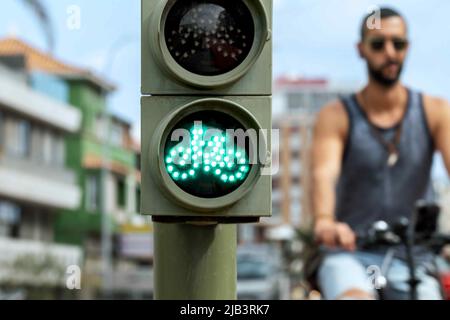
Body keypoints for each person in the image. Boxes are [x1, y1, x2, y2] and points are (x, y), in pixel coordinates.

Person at [312, 7, 450, 300]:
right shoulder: (336, 115)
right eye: (378, 44)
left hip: (414, 258)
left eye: (397, 43)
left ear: (407, 47)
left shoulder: (435, 111)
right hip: (351, 254)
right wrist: (325, 220)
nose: (389, 52)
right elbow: (323, 173)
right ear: (361, 49)